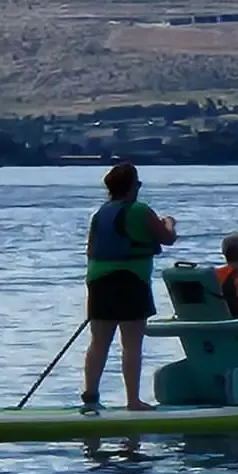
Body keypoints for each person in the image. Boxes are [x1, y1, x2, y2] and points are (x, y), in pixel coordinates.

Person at [81, 161, 177, 410]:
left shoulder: (99, 214)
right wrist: (169, 222)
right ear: (132, 186)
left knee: (98, 342)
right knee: (131, 343)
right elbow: (167, 239)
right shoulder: (140, 210)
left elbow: (91, 249)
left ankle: (91, 396)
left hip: (98, 282)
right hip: (131, 280)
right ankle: (133, 400)